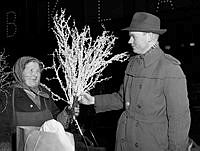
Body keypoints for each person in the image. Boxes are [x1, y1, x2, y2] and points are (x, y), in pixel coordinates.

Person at [80, 12, 191, 151]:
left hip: (151, 144)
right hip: (125, 140)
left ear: (149, 36)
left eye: (133, 36)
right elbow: (122, 98)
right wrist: (93, 100)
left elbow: (179, 119)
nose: (129, 41)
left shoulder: (170, 69)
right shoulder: (132, 64)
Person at [0, 56, 74, 150]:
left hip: (49, 146)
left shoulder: (45, 93)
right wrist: (5, 145)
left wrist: (66, 113)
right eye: (31, 70)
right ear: (20, 72)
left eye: (37, 71)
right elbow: (2, 126)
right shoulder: (8, 94)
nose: (35, 75)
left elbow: (56, 122)